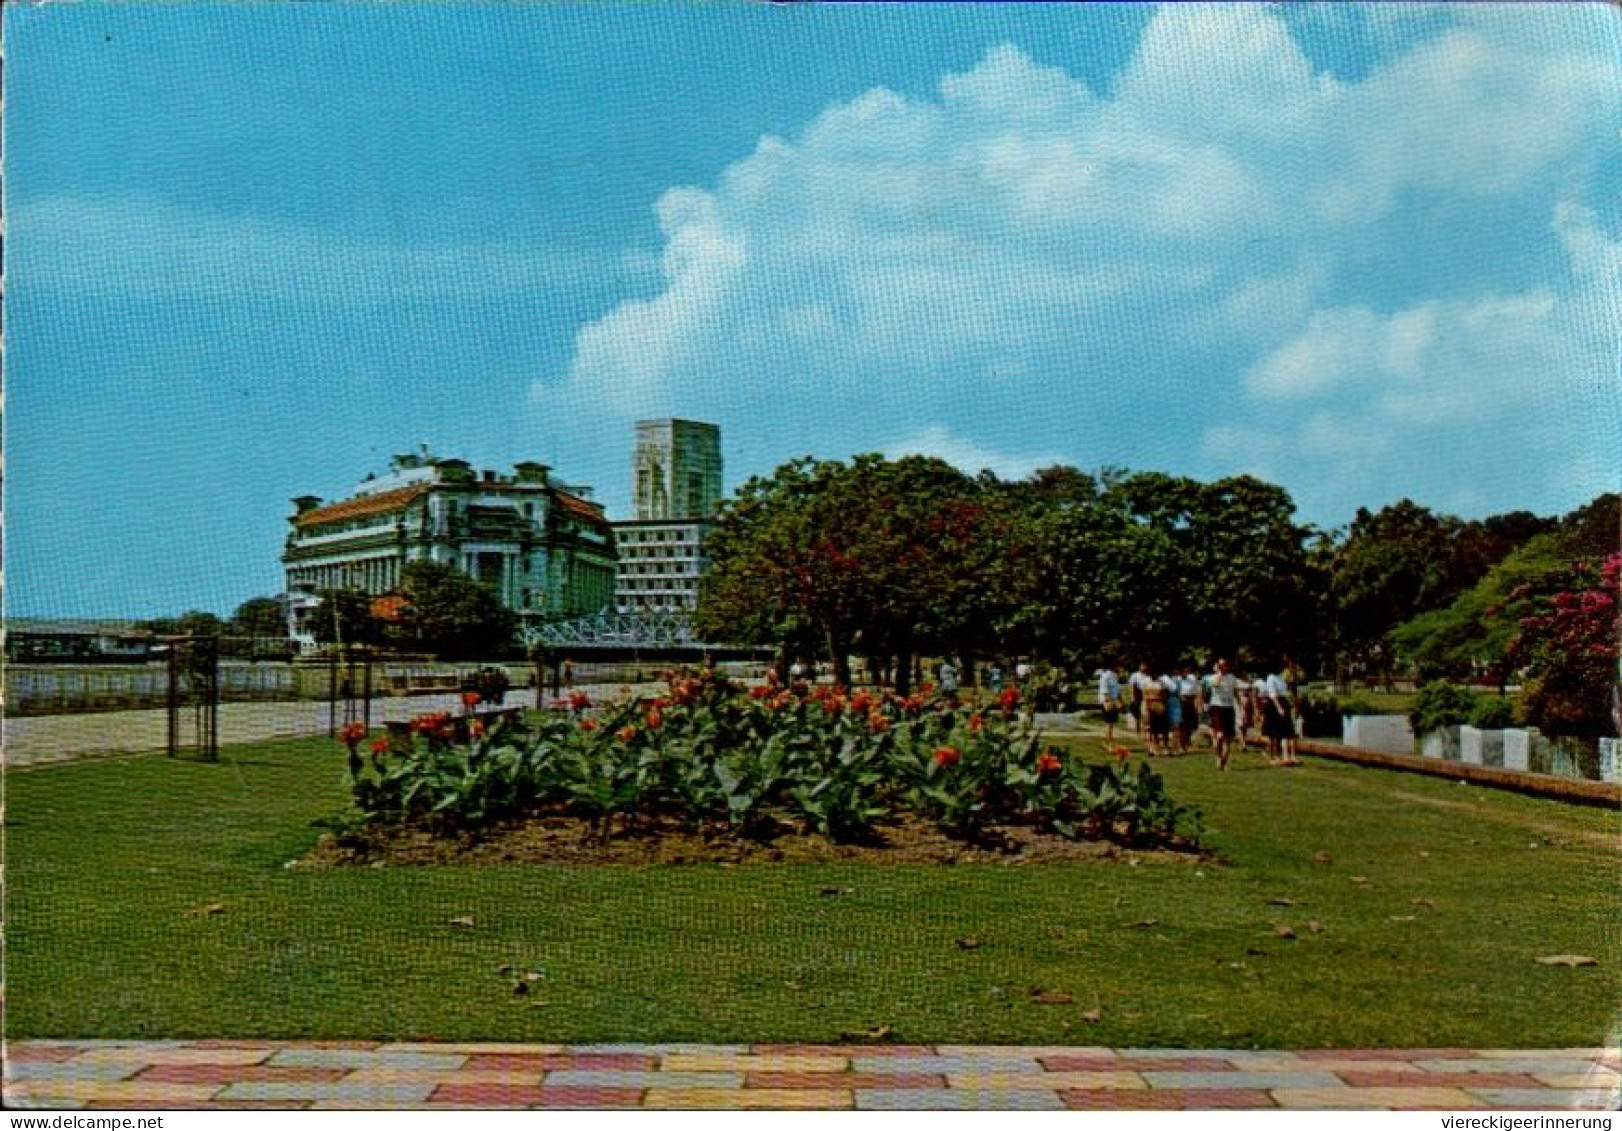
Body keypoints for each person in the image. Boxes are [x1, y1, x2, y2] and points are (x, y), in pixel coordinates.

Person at [1206, 658, 1240, 770]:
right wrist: (1219, 673)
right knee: (1220, 736)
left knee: (1228, 738)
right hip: (1217, 707)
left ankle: (1224, 761)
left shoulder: (1232, 678)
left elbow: (1235, 692)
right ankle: (1218, 757)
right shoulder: (1214, 677)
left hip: (1229, 708)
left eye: (1224, 665)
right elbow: (1215, 685)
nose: (1222, 667)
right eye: (1220, 665)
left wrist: (1240, 707)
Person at [1263, 663, 1300, 766]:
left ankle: (1285, 756)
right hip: (1274, 704)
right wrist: (1279, 707)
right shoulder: (1271, 677)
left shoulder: (1281, 678)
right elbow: (1272, 694)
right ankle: (1273, 756)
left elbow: (1285, 692)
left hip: (1283, 701)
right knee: (1273, 733)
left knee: (1284, 731)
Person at [1140, 668, 1171, 756]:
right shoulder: (1146, 684)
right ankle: (1155, 747)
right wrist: (1146, 708)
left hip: (1160, 706)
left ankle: (1165, 747)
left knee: (1164, 729)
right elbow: (1144, 697)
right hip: (1151, 707)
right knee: (1154, 730)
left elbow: (1167, 695)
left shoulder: (1162, 683)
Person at [1097, 663, 1123, 744]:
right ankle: (1109, 742)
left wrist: (1121, 701)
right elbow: (1105, 690)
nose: (1120, 668)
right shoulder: (1105, 676)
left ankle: (1108, 740)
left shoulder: (1115, 676)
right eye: (1119, 666)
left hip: (1114, 701)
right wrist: (1109, 702)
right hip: (1107, 701)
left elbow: (1117, 690)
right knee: (1109, 722)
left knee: (1111, 723)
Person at [1128, 662, 1154, 739]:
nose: (1144, 667)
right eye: (1142, 666)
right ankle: (1138, 733)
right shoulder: (1135, 675)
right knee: (1138, 716)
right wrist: (1133, 698)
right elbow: (1132, 687)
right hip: (1138, 696)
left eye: (1145, 666)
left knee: (1145, 716)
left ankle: (1145, 733)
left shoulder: (1149, 676)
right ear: (1139, 666)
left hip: (1147, 697)